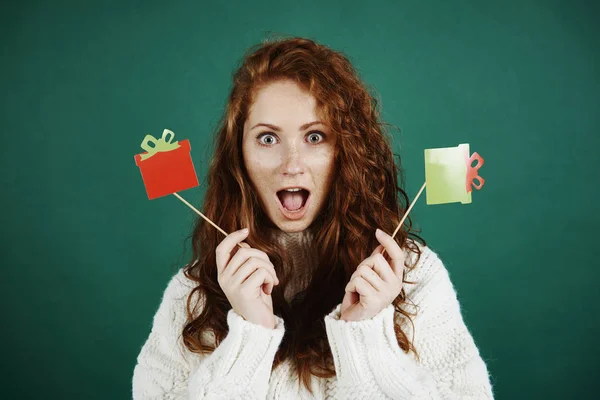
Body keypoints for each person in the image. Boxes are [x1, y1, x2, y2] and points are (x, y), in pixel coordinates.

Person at [132, 36, 494, 399]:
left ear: (345, 151)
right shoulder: (193, 295)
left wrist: (366, 336)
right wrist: (250, 335)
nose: (292, 165)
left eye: (315, 136)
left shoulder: (414, 277)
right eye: (268, 139)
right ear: (238, 155)